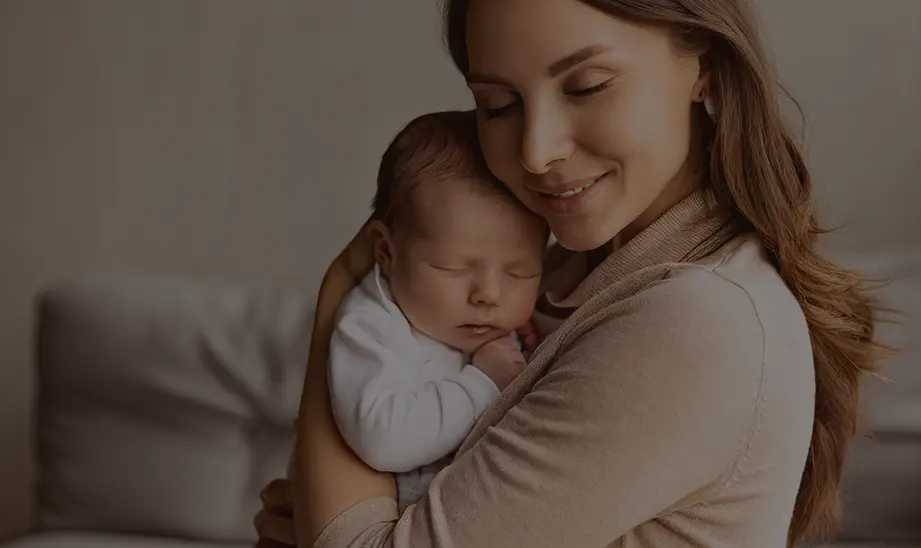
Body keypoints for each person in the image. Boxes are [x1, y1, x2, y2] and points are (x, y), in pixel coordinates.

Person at [254, 0, 886, 546]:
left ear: (706, 66)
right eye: (498, 105)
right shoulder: (559, 279)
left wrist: (346, 285)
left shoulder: (697, 319)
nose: (536, 151)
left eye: (586, 86)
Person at [326, 110, 547, 513]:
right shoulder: (372, 325)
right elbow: (383, 438)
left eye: (519, 273)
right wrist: (482, 382)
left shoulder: (503, 329)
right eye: (454, 268)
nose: (489, 295)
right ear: (387, 252)